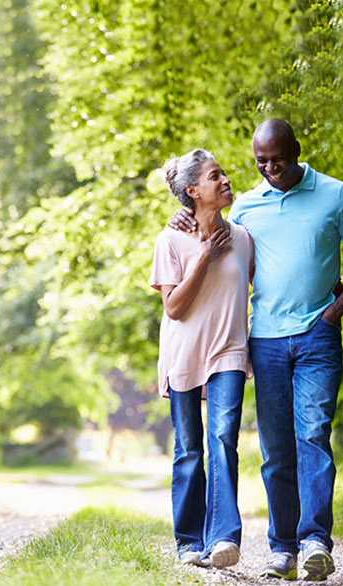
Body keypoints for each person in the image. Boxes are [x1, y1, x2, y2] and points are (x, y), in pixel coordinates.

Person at [169, 119, 343, 581]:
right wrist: (183, 215)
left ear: (297, 150)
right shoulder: (245, 207)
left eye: (278, 159)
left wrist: (333, 312)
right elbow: (215, 242)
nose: (270, 168)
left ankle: (314, 541)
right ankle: (282, 548)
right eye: (261, 161)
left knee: (313, 436)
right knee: (276, 449)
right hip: (264, 340)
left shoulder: (336, 194)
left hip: (317, 337)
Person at [152, 148, 253, 569]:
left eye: (223, 173)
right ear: (193, 191)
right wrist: (203, 256)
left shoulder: (244, 238)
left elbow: (266, 289)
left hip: (229, 350)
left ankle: (223, 538)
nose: (226, 179)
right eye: (215, 176)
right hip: (184, 355)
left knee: (223, 438)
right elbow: (174, 308)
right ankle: (188, 542)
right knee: (190, 448)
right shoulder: (170, 240)